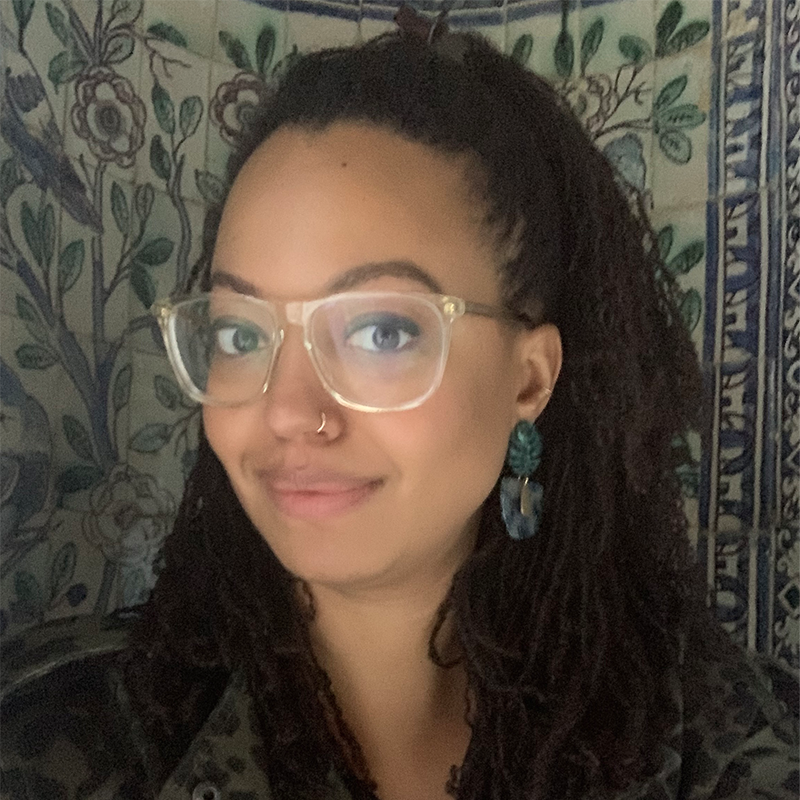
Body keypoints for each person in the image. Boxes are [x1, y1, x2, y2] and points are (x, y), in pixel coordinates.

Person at [1, 18, 796, 800]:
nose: (287, 411)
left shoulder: (726, 747)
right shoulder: (55, 743)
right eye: (242, 332)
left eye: (382, 330)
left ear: (530, 378)